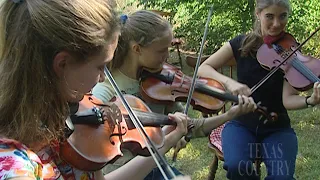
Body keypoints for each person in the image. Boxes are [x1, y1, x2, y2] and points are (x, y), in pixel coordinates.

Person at [0, 1, 191, 180]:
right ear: (63, 64)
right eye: (101, 67)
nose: (102, 78)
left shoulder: (63, 121)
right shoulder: (16, 168)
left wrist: (167, 139)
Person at [92, 10, 258, 180]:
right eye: (161, 51)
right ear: (137, 49)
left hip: (156, 167)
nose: (167, 57)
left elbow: (191, 126)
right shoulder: (106, 89)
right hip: (124, 172)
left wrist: (230, 115)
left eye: (169, 49)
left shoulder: (160, 85)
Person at [198, 0, 320, 179]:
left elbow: (288, 100)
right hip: (240, 124)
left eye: (282, 16)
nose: (277, 24)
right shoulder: (241, 43)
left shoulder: (291, 50)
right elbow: (203, 68)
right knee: (236, 167)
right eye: (269, 16)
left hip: (277, 128)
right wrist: (229, 83)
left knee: (282, 177)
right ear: (258, 14)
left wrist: (310, 100)